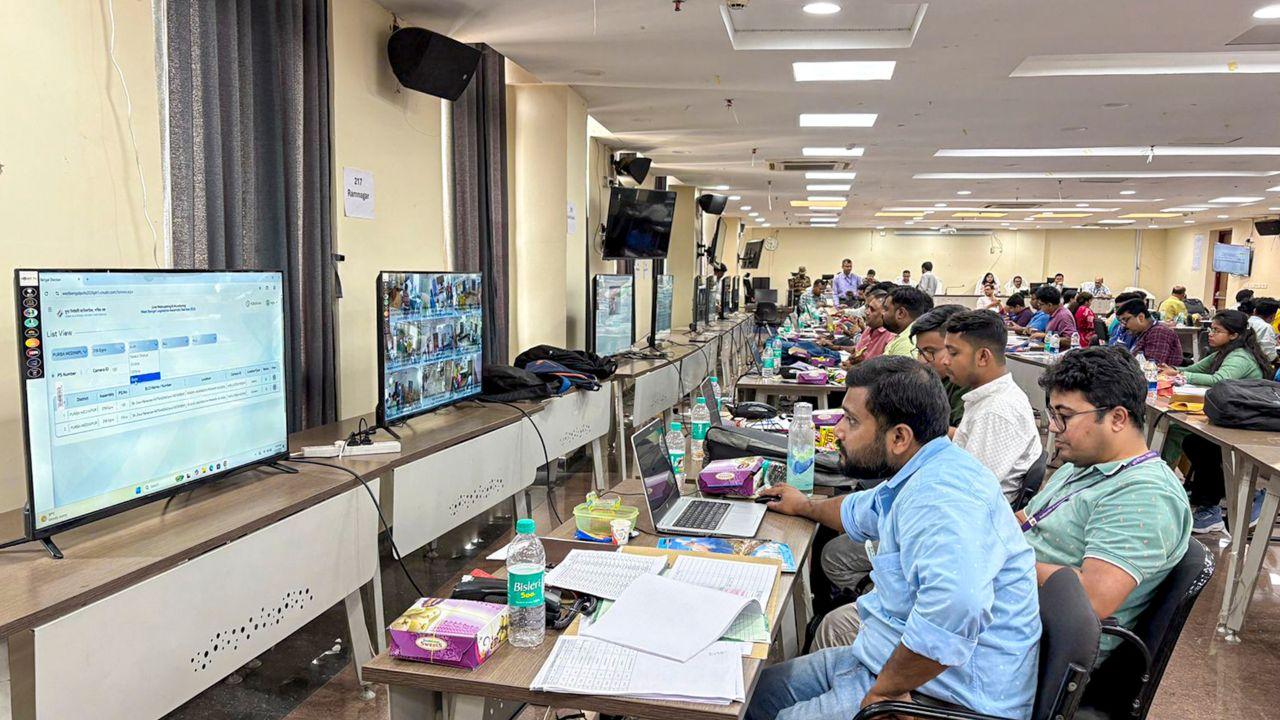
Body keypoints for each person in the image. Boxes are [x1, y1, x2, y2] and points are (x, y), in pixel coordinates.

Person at [749, 357, 1040, 720]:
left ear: (899, 437)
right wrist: (804, 506)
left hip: (944, 695)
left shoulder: (942, 496)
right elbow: (857, 510)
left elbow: (957, 606)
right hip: (883, 658)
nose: (838, 431)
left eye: (851, 420)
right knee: (754, 695)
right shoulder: (919, 471)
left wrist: (885, 691)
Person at [1028, 347, 1190, 657]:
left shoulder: (1145, 495)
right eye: (1053, 415)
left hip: (1042, 645)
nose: (1054, 427)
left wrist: (1003, 562)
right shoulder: (1084, 464)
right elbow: (1028, 519)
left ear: (1117, 418)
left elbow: (1092, 598)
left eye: (1065, 416)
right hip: (1017, 611)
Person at [1167, 311, 1273, 533]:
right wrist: (1173, 371)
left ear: (1233, 335)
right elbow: (1194, 370)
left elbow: (1218, 380)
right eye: (1211, 329)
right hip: (1231, 418)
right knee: (1192, 440)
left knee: (1201, 444)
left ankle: (1213, 506)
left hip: (1246, 426)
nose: (1210, 333)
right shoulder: (1223, 352)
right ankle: (1216, 497)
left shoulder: (1240, 357)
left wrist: (1182, 377)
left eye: (1217, 330)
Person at [942, 311, 1043, 501]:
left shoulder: (995, 412)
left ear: (983, 356)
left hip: (971, 510)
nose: (945, 360)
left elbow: (970, 493)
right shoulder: (991, 397)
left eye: (953, 353)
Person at [909, 305, 969, 427]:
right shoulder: (932, 379)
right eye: (920, 352)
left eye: (930, 351)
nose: (922, 360)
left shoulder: (965, 383)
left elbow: (963, 434)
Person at [1115, 298, 1183, 366]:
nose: (1123, 325)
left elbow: (1152, 366)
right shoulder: (1143, 332)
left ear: (1141, 317)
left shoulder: (1158, 332)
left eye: (1125, 320)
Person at [846, 288, 896, 366]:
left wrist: (854, 368)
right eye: (867, 307)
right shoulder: (869, 328)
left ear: (885, 313)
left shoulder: (891, 337)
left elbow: (881, 370)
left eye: (872, 309)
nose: (866, 312)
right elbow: (857, 352)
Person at [882, 286, 934, 358]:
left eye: (886, 309)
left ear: (901, 313)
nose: (882, 313)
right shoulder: (906, 336)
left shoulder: (907, 342)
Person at [1247, 297, 1278, 362]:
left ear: (1254, 311)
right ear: (1272, 316)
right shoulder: (1266, 327)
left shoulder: (1247, 321)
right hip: (1257, 362)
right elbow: (1270, 356)